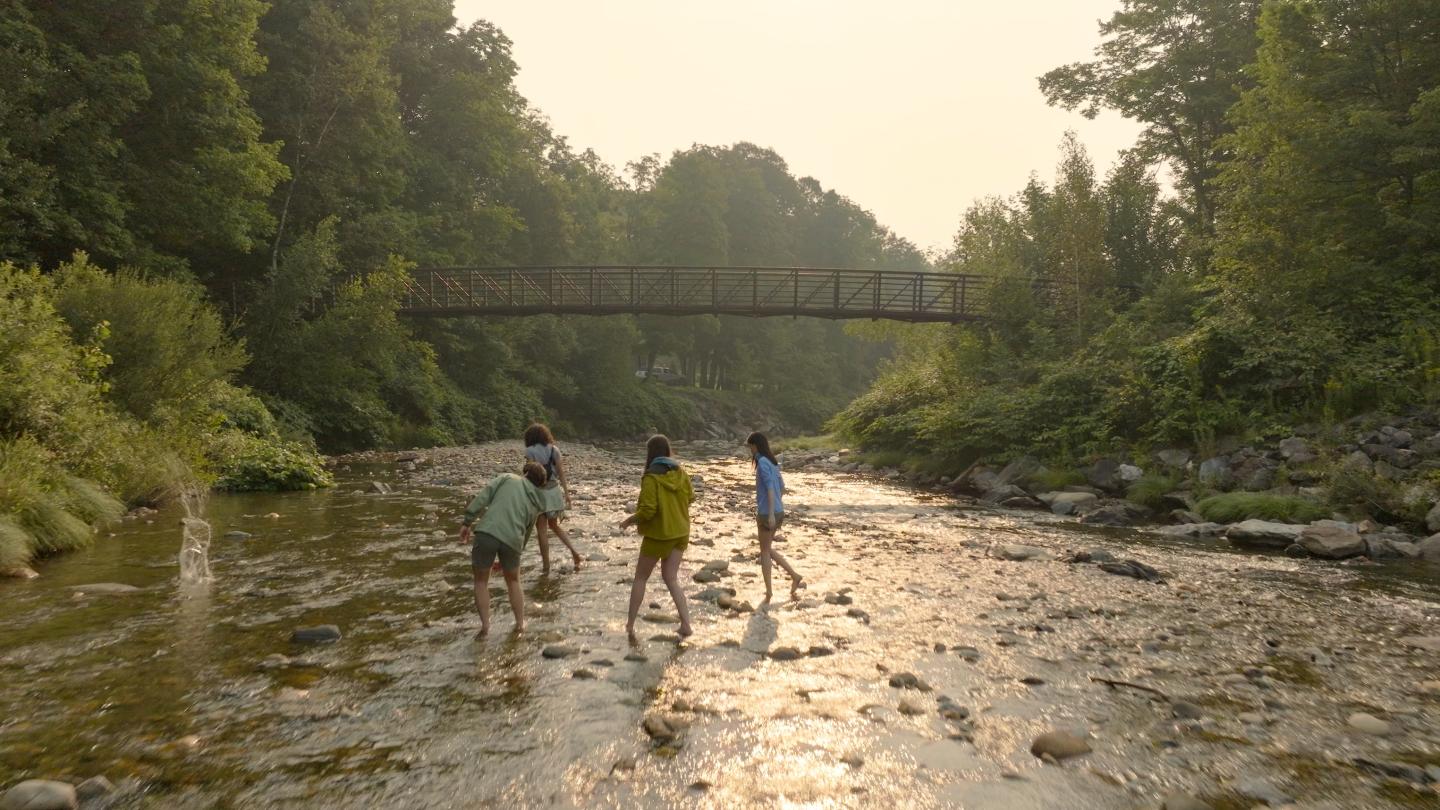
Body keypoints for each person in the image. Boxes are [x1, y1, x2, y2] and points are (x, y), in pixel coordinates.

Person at [458, 462, 547, 637]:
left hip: (488, 532)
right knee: (514, 581)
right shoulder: (537, 502)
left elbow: (484, 497)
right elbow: (527, 531)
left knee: (481, 581)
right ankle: (520, 624)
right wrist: (516, 552)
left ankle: (485, 626)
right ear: (540, 483)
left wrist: (467, 521)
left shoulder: (508, 478)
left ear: (526, 472)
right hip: (513, 541)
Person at [619, 434, 694, 642]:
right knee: (671, 578)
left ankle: (630, 625)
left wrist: (629, 520)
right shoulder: (681, 472)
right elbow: (690, 498)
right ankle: (686, 624)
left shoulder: (651, 477)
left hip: (659, 534)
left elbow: (648, 510)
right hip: (681, 532)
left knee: (641, 577)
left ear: (650, 454)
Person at [747, 431, 803, 602]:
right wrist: (776, 508)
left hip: (767, 513)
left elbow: (771, 488)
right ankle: (794, 575)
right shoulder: (773, 462)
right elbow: (782, 487)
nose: (749, 450)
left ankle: (769, 592)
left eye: (750, 447)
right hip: (779, 511)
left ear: (755, 446)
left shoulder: (763, 463)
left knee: (764, 552)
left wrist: (770, 513)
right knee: (768, 548)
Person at [523, 423, 582, 573]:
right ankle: (575, 553)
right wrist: (567, 494)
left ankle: (546, 566)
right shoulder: (554, 450)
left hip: (539, 492)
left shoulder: (529, 451)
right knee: (554, 526)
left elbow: (529, 475)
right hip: (554, 491)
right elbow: (561, 473)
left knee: (541, 530)